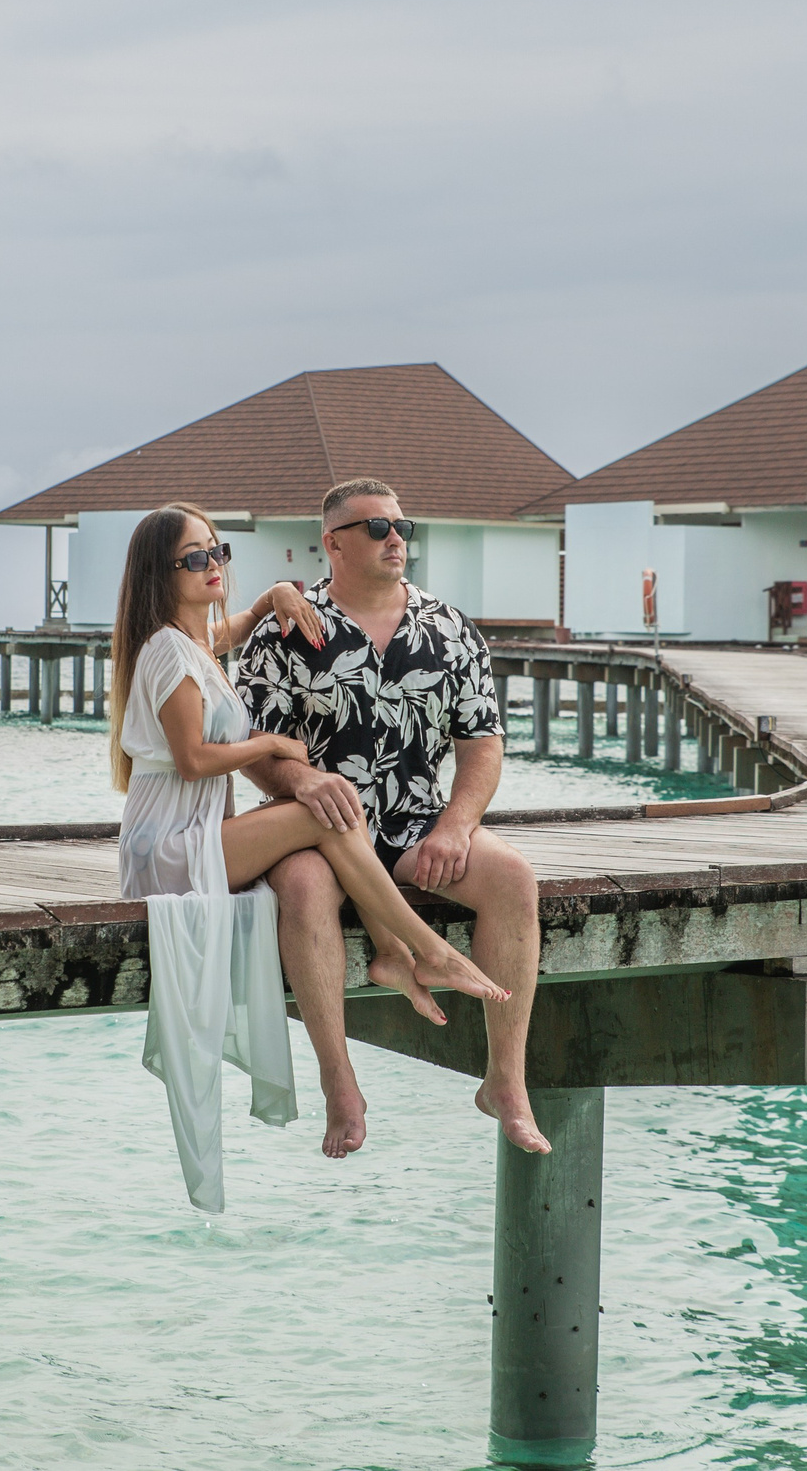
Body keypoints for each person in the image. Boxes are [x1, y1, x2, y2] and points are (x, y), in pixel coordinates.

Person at [234, 479, 550, 1158]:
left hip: (415, 822)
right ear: (334, 543)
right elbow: (256, 747)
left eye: (402, 526)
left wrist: (457, 824)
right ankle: (339, 1082)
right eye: (376, 528)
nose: (396, 538)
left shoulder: (449, 628)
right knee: (305, 887)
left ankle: (505, 1081)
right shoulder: (284, 631)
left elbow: (482, 743)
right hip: (313, 827)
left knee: (514, 878)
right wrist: (301, 780)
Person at [110, 501, 508, 1017]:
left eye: (218, 551)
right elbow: (193, 761)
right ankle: (427, 951)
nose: (213, 565)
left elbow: (242, 624)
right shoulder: (168, 649)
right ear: (158, 573)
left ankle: (395, 954)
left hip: (197, 833)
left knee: (335, 799)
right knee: (331, 804)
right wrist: (272, 745)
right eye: (195, 558)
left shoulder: (194, 641)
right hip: (168, 847)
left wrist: (277, 593)